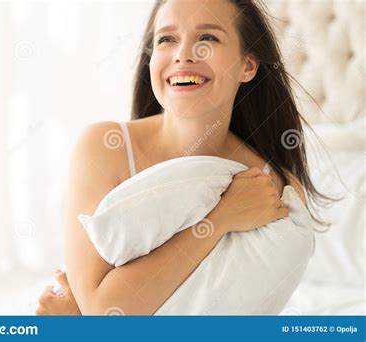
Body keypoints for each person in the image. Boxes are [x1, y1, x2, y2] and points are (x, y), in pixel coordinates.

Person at [36, 0, 332, 316]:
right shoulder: (104, 148)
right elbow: (104, 312)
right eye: (167, 39)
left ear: (248, 65)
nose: (183, 54)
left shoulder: (277, 192)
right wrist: (220, 218)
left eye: (208, 38)